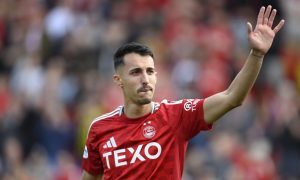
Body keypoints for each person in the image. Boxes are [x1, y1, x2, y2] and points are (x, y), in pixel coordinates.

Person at [81, 5, 285, 180]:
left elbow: (232, 97)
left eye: (150, 71)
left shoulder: (175, 115)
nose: (145, 79)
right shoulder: (99, 129)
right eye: (136, 72)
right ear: (118, 80)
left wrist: (257, 54)